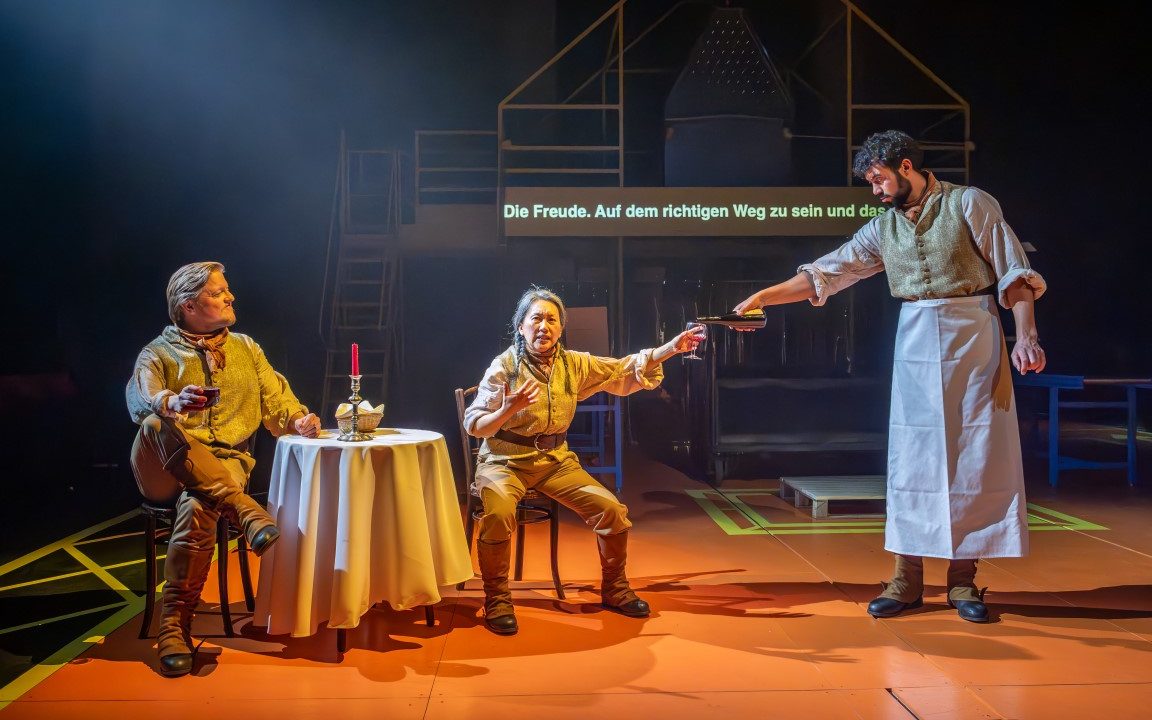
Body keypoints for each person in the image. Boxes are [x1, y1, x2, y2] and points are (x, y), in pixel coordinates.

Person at [733, 130, 1046, 623]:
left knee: (976, 456)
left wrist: (1025, 337)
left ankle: (963, 583)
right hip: (918, 338)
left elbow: (1014, 273)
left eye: (878, 179)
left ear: (905, 167)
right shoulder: (883, 229)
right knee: (914, 456)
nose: (875, 191)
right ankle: (906, 579)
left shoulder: (970, 204)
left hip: (975, 334)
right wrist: (766, 296)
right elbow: (828, 272)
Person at [464, 286, 704, 635]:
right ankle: (498, 599)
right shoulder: (504, 367)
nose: (543, 326)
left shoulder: (573, 364)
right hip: (504, 460)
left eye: (551, 319)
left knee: (611, 510)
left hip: (555, 462)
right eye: (536, 319)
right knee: (499, 513)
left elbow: (623, 369)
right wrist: (507, 409)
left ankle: (615, 590)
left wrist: (671, 349)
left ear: (561, 328)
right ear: (520, 326)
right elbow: (474, 425)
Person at [126, 261, 321, 676]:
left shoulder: (247, 348)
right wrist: (173, 403)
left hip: (224, 464)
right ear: (189, 305)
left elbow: (278, 400)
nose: (230, 297)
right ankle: (246, 511)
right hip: (161, 464)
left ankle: (174, 627)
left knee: (199, 506)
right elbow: (140, 400)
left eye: (226, 290)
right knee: (155, 421)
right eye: (218, 293)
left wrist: (298, 419)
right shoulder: (157, 353)